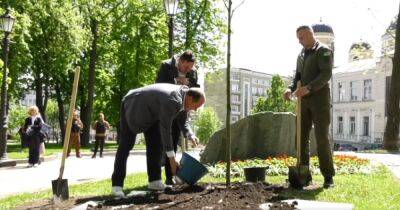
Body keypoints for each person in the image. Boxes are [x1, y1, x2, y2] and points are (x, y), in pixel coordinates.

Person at [111, 83, 205, 197]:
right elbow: (166, 130)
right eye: (196, 106)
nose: (195, 109)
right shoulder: (173, 100)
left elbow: (183, 121)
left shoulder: (184, 96)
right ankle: (117, 185)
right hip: (134, 103)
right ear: (190, 98)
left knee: (156, 145)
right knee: (126, 145)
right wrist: (172, 159)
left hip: (152, 112)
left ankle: (155, 181)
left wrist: (190, 135)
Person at [283, 25, 335, 188]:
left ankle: (328, 177)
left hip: (320, 102)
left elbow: (326, 74)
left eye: (302, 38)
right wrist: (290, 89)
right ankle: (304, 175)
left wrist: (309, 88)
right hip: (303, 102)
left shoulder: (324, 50)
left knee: (321, 139)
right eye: (298, 38)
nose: (299, 41)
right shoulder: (301, 54)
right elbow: (297, 76)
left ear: (311, 34)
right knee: (301, 138)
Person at [156, 50, 200, 185]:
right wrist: (176, 82)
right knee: (158, 145)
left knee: (173, 141)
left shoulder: (193, 72)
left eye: (190, 68)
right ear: (180, 61)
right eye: (186, 67)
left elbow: (194, 92)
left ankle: (169, 177)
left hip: (180, 109)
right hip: (164, 108)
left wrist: (188, 85)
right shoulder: (166, 66)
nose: (188, 71)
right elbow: (158, 85)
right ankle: (155, 178)